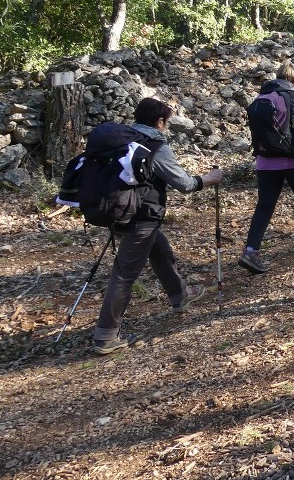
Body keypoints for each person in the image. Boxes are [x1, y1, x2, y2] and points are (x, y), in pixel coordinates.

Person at [92, 98, 222, 355]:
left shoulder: (123, 140)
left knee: (159, 247)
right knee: (124, 274)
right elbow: (183, 183)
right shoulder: (155, 145)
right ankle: (105, 336)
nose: (167, 127)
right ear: (160, 121)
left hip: (117, 211)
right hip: (141, 216)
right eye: (167, 122)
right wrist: (208, 178)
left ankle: (180, 294)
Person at [238, 61, 294, 275]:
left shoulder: (261, 98)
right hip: (292, 160)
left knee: (265, 206)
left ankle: (250, 250)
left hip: (265, 160)